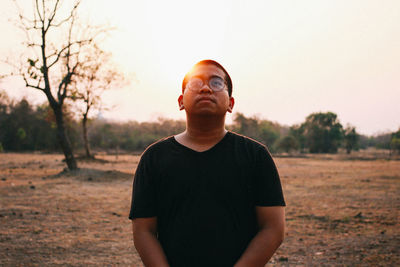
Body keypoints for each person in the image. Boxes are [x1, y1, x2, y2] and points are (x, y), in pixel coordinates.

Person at [129, 59, 286, 267]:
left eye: (216, 83)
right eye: (195, 83)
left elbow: (273, 228)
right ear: (180, 101)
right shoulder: (154, 157)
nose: (205, 88)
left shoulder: (256, 156)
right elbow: (143, 230)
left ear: (230, 103)